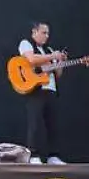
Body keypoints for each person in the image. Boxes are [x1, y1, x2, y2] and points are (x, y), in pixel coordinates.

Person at [18, 22, 67, 164]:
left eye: (48, 33)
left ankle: (53, 156)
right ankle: (33, 155)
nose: (46, 36)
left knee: (53, 124)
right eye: (43, 32)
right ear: (34, 32)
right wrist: (52, 56)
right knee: (35, 123)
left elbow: (58, 74)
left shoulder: (49, 50)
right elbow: (32, 59)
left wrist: (60, 61)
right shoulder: (26, 44)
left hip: (50, 89)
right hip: (36, 89)